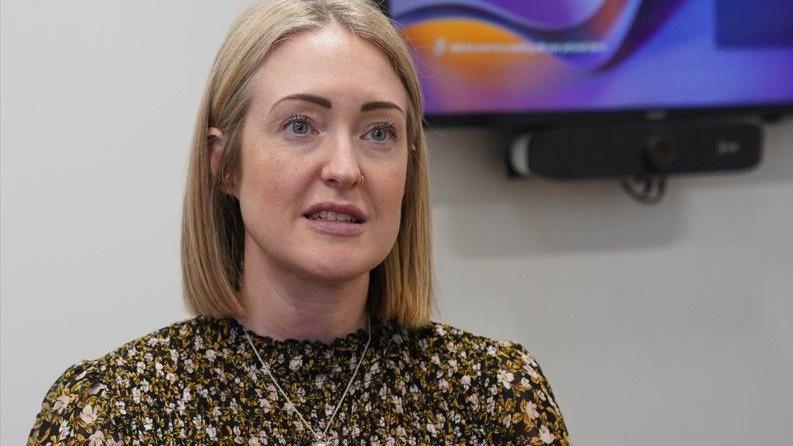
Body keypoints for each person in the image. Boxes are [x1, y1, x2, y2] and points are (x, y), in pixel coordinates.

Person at [27, 1, 570, 444]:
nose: (344, 169)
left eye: (378, 132)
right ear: (225, 164)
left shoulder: (496, 398)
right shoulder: (110, 415)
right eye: (300, 125)